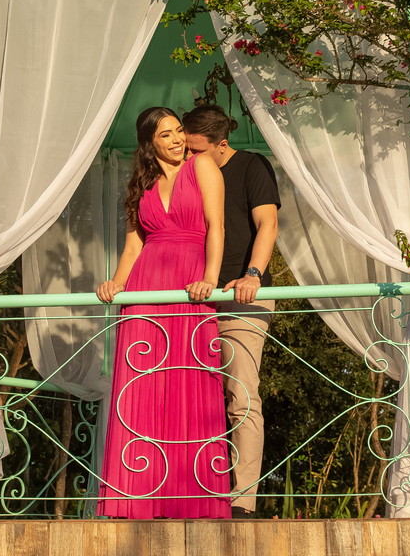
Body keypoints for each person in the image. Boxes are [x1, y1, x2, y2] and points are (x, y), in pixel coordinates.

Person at [95, 107, 231, 519]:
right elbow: (134, 246)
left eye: (178, 132)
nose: (176, 140)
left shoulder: (203, 165)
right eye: (166, 135)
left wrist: (209, 277)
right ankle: (135, 498)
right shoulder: (141, 183)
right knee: (141, 385)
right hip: (146, 287)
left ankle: (192, 498)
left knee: (190, 381)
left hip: (192, 282)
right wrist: (116, 283)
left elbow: (216, 226)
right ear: (149, 143)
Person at [182, 104, 280, 519]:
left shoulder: (252, 167)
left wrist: (253, 274)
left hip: (242, 298)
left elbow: (268, 225)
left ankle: (242, 501)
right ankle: (189, 493)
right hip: (190, 298)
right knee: (189, 397)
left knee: (241, 396)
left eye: (195, 150)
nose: (187, 157)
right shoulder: (186, 171)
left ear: (221, 145)